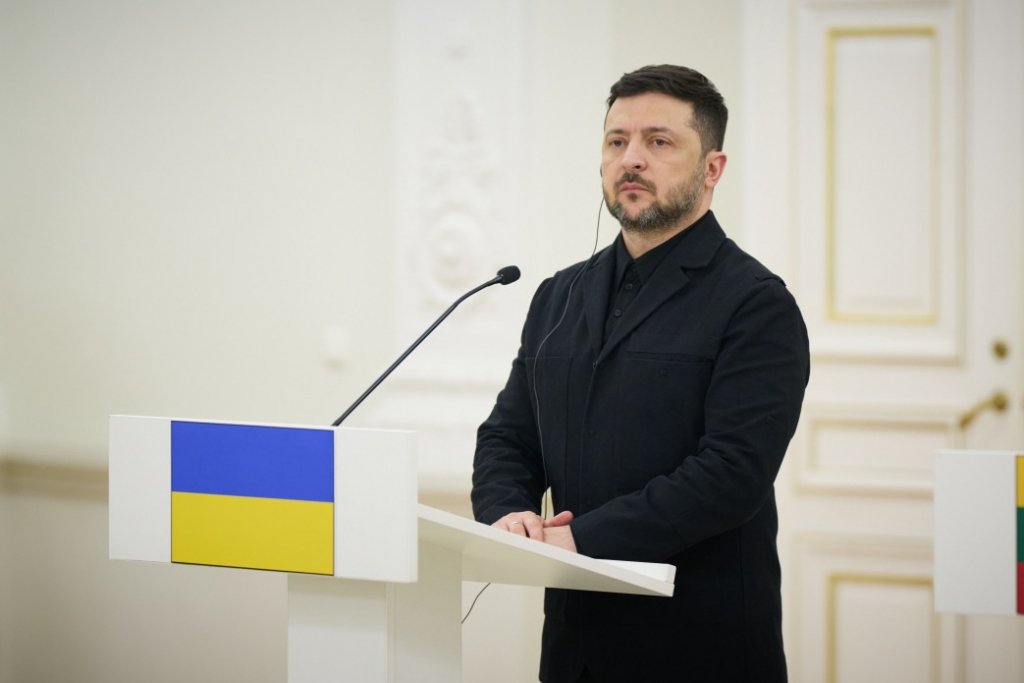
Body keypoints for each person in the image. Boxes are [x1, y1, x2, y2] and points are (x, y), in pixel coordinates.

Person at [472, 64, 810, 683]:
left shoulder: (755, 303)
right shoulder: (557, 295)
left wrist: (582, 539)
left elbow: (732, 473)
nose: (631, 158)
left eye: (659, 141)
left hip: (700, 643)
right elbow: (509, 435)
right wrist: (509, 513)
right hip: (575, 645)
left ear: (712, 168)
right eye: (616, 140)